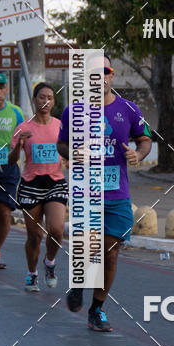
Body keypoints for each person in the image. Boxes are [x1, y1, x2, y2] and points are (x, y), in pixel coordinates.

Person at [57, 54, 152, 331]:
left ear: (112, 75)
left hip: (117, 194)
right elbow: (61, 145)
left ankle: (96, 310)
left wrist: (139, 154)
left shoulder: (129, 109)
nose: (102, 77)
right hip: (86, 193)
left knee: (110, 253)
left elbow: (144, 139)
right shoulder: (72, 111)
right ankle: (78, 283)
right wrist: (74, 153)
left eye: (106, 71)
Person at [8, 82, 67, 291]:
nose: (46, 101)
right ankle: (32, 274)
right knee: (34, 237)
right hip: (31, 183)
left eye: (50, 97)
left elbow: (68, 151)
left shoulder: (60, 125)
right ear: (34, 100)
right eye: (42, 97)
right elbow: (11, 160)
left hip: (55, 182)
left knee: (57, 230)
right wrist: (20, 145)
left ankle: (49, 262)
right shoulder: (23, 128)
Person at [0, 73, 24, 270]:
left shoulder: (16, 113)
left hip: (8, 168)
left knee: (4, 213)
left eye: (1, 87)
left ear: (6, 89)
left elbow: (25, 142)